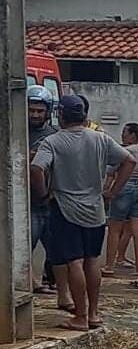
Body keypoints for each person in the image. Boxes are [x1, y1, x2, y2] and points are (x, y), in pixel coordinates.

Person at [30, 95, 136, 331]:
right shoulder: (101, 139)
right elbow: (129, 161)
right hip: (95, 209)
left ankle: (80, 316)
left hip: (65, 208)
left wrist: (43, 193)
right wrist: (112, 191)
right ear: (84, 116)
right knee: (92, 261)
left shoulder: (53, 142)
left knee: (73, 262)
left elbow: (36, 168)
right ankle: (94, 313)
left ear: (61, 115)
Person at [27, 85, 67, 306]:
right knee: (26, 245)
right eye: (31, 110)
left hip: (50, 201)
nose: (35, 114)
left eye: (39, 111)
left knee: (56, 247)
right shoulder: (15, 133)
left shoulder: (54, 137)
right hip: (27, 202)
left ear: (47, 111)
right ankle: (31, 283)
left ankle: (50, 282)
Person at [102, 123, 138, 278]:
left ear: (132, 135)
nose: (122, 135)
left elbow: (111, 171)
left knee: (115, 229)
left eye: (125, 132)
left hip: (125, 187)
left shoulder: (125, 151)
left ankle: (109, 265)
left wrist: (108, 191)